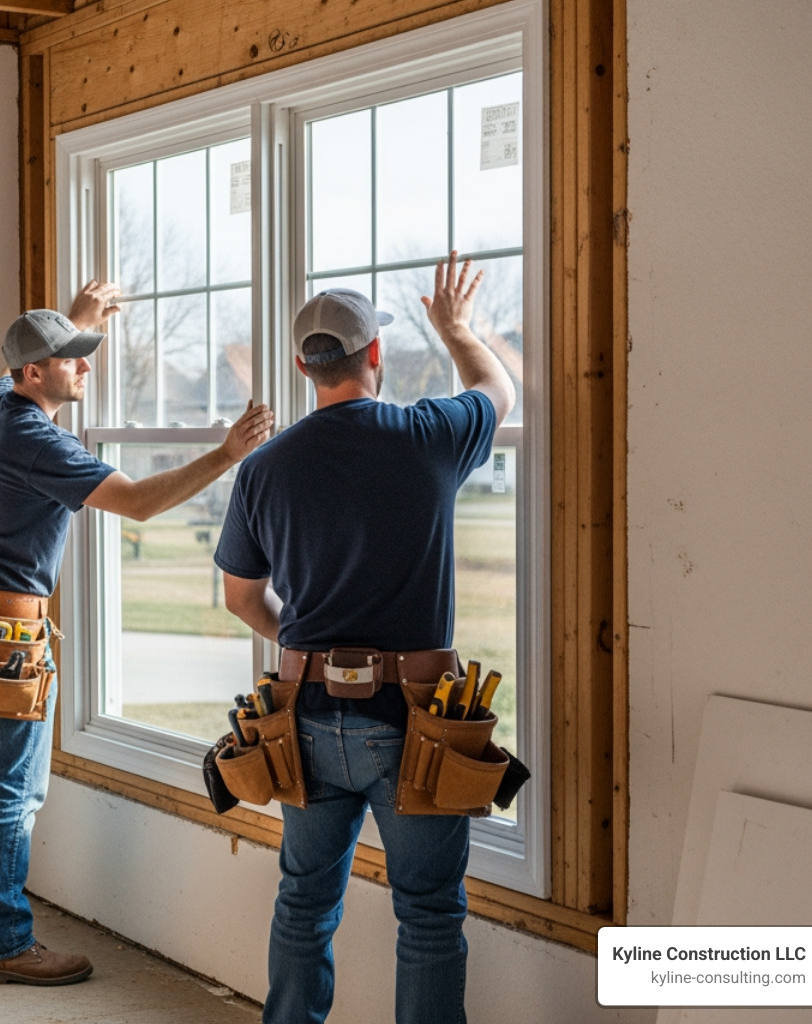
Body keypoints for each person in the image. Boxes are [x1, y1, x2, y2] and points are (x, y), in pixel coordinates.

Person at [0, 280, 275, 986]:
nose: (86, 367)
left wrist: (74, 320)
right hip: (3, 637)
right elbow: (137, 502)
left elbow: (32, 360)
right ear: (33, 373)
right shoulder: (36, 439)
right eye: (72, 358)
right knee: (14, 788)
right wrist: (226, 453)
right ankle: (3, 944)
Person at [214, 253, 515, 1024]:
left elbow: (242, 597)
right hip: (415, 723)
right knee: (429, 914)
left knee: (305, 901)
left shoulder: (264, 469)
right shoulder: (429, 435)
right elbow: (497, 388)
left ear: (303, 367)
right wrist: (455, 330)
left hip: (305, 718)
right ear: (374, 352)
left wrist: (305, 649)